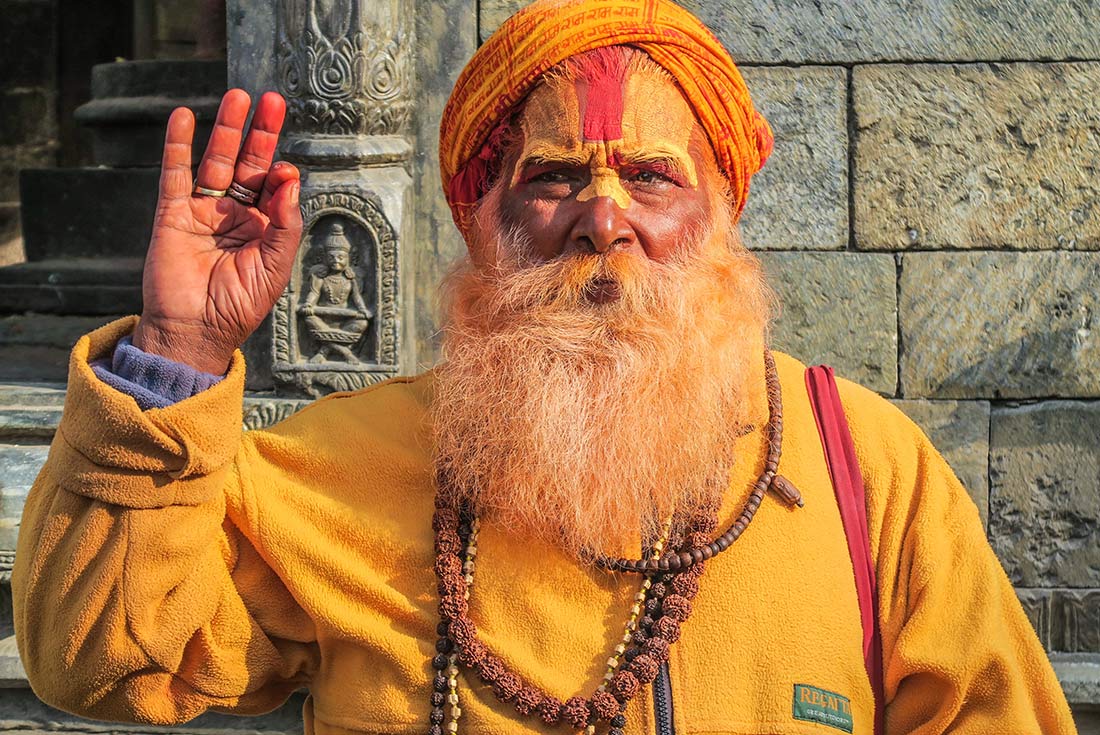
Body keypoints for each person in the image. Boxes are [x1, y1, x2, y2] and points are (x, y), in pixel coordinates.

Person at [12, 1, 1077, 733]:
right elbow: (101, 660)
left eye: (652, 178)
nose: (601, 221)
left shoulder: (865, 470)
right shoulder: (339, 468)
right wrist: (180, 351)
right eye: (553, 176)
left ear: (719, 214)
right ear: (483, 223)